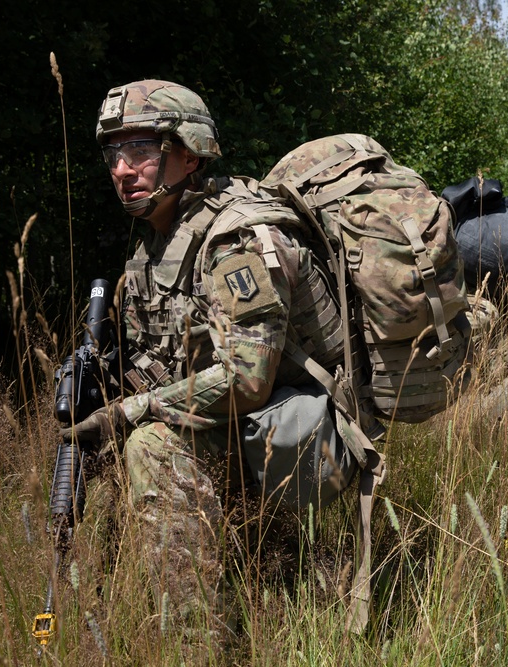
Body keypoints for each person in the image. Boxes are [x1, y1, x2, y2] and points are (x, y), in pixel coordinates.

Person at [61, 80, 351, 644]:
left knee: (148, 444)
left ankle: (196, 642)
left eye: (141, 150)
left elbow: (247, 378)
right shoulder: (158, 238)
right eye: (113, 153)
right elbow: (171, 353)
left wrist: (129, 413)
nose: (122, 168)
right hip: (250, 420)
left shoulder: (235, 238)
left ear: (188, 153)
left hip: (305, 420)